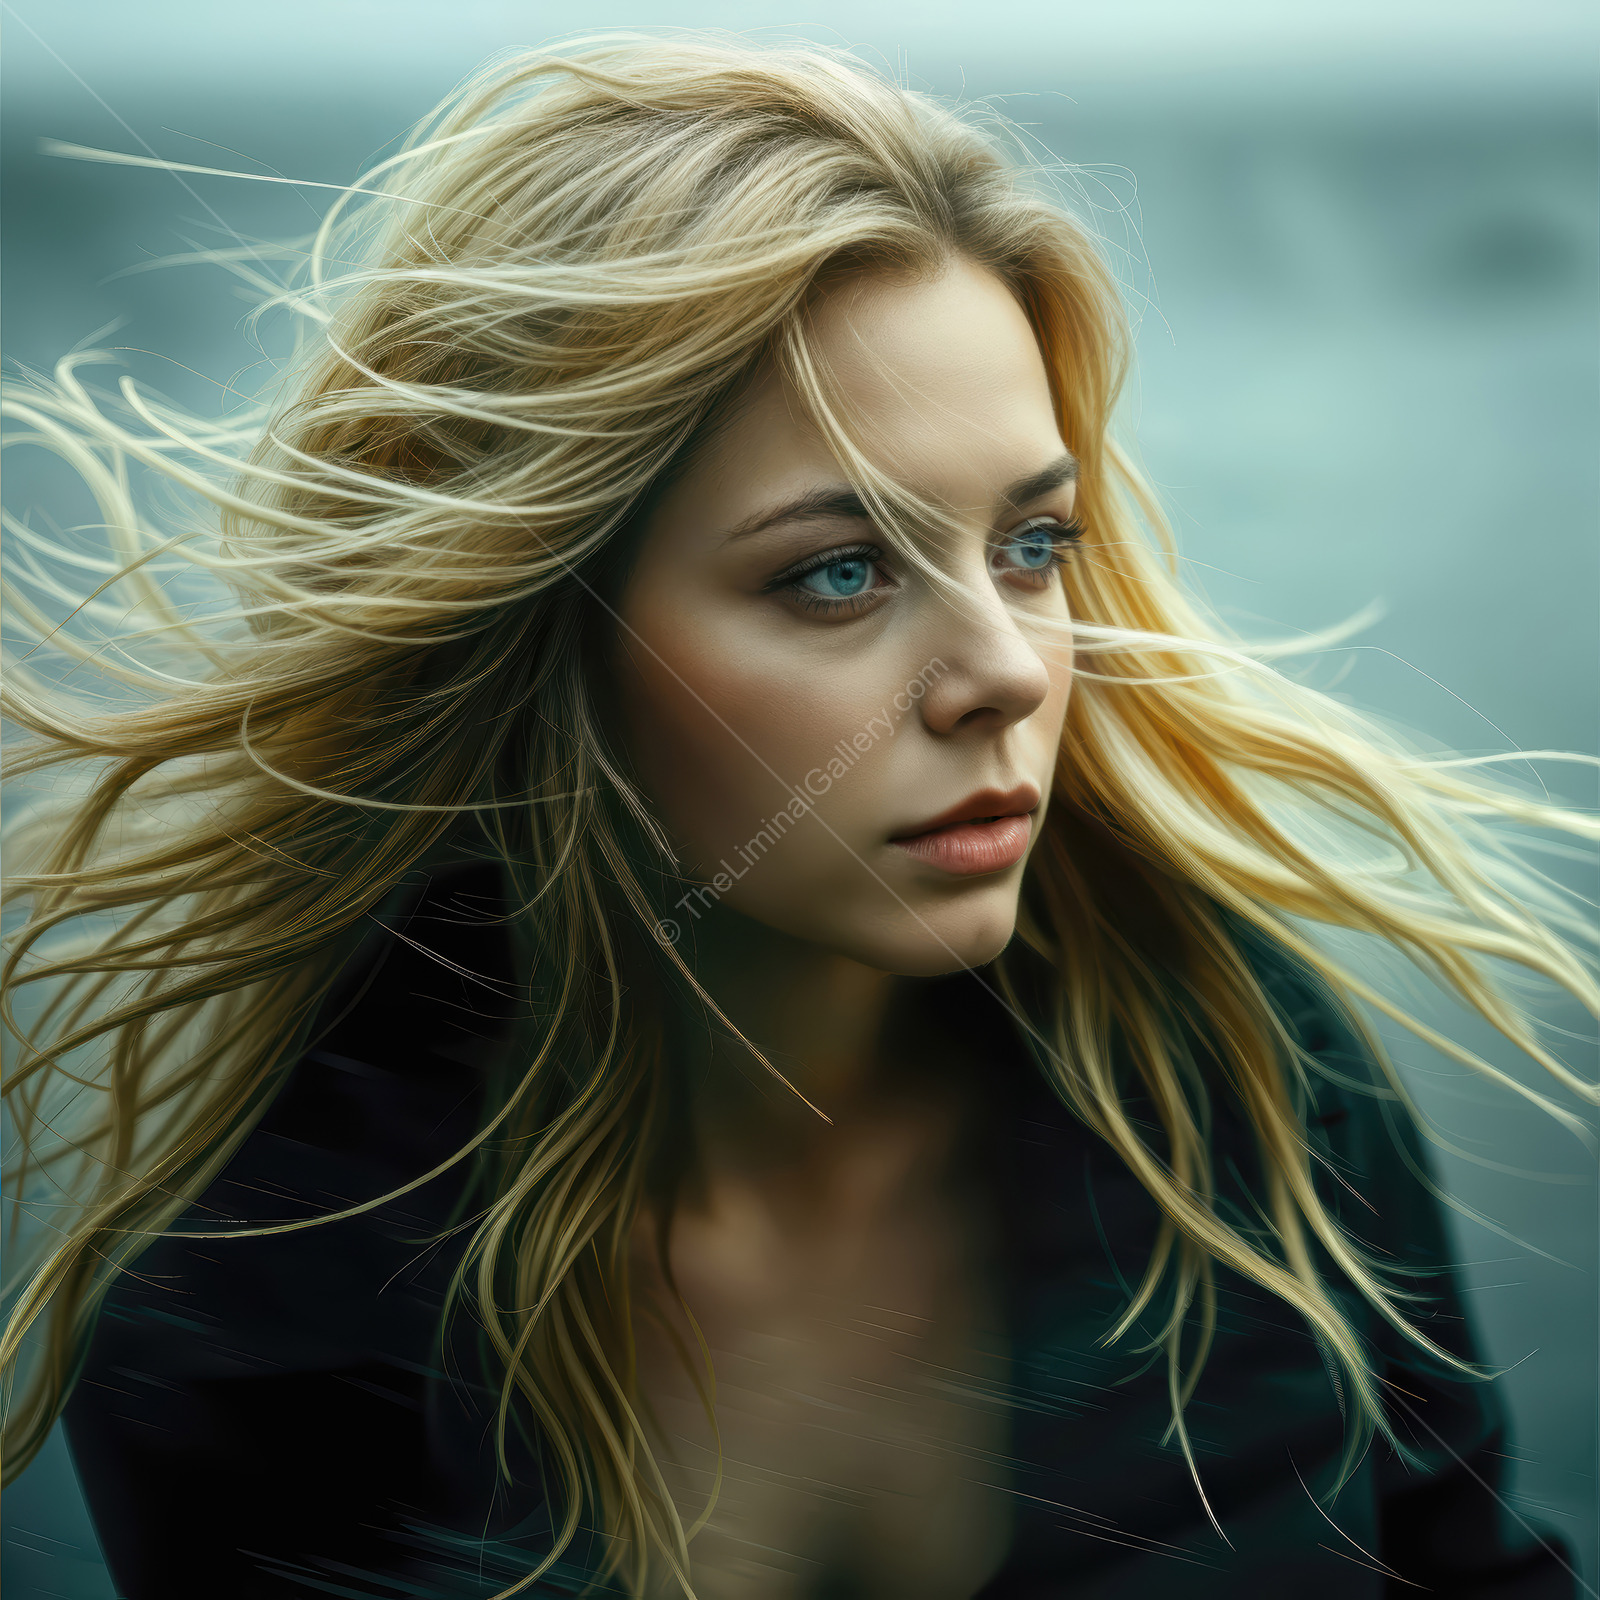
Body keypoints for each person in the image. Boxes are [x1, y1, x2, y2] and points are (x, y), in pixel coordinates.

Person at [2, 32, 1594, 1600]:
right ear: (543, 619)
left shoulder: (1241, 1089)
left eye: (1031, 545)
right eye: (839, 572)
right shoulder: (265, 1300)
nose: (1006, 674)